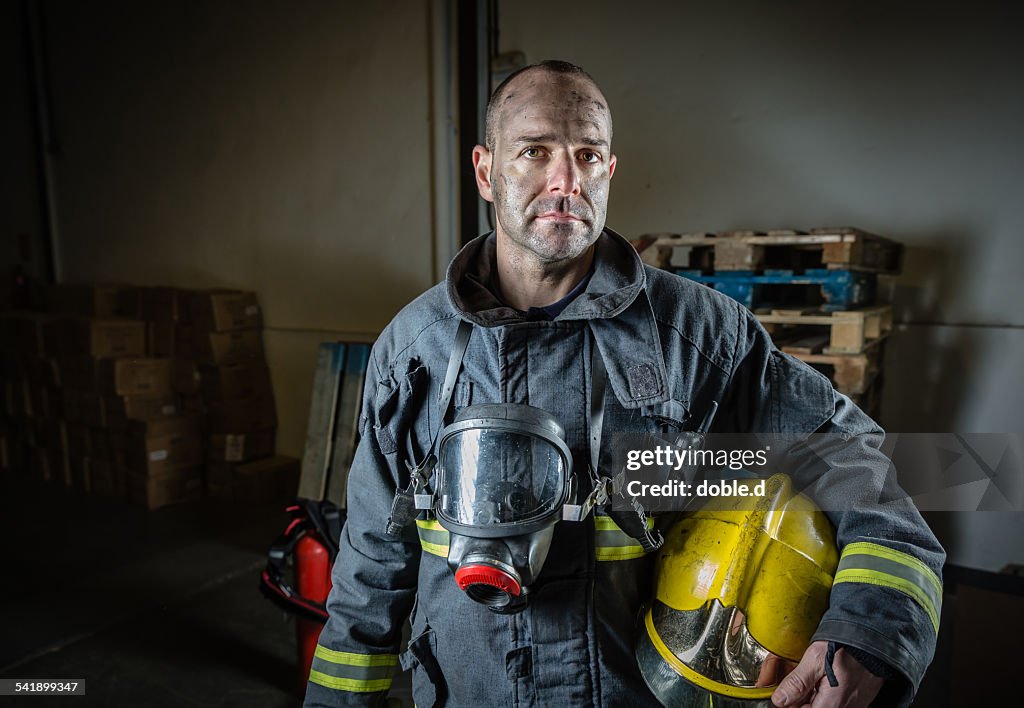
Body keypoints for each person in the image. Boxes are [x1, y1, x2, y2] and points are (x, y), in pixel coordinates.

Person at [304, 60, 944, 708]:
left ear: (608, 171)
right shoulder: (413, 356)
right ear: (485, 171)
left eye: (587, 154)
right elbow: (370, 573)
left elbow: (857, 462)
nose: (565, 181)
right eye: (534, 152)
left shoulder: (700, 335)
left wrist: (869, 630)